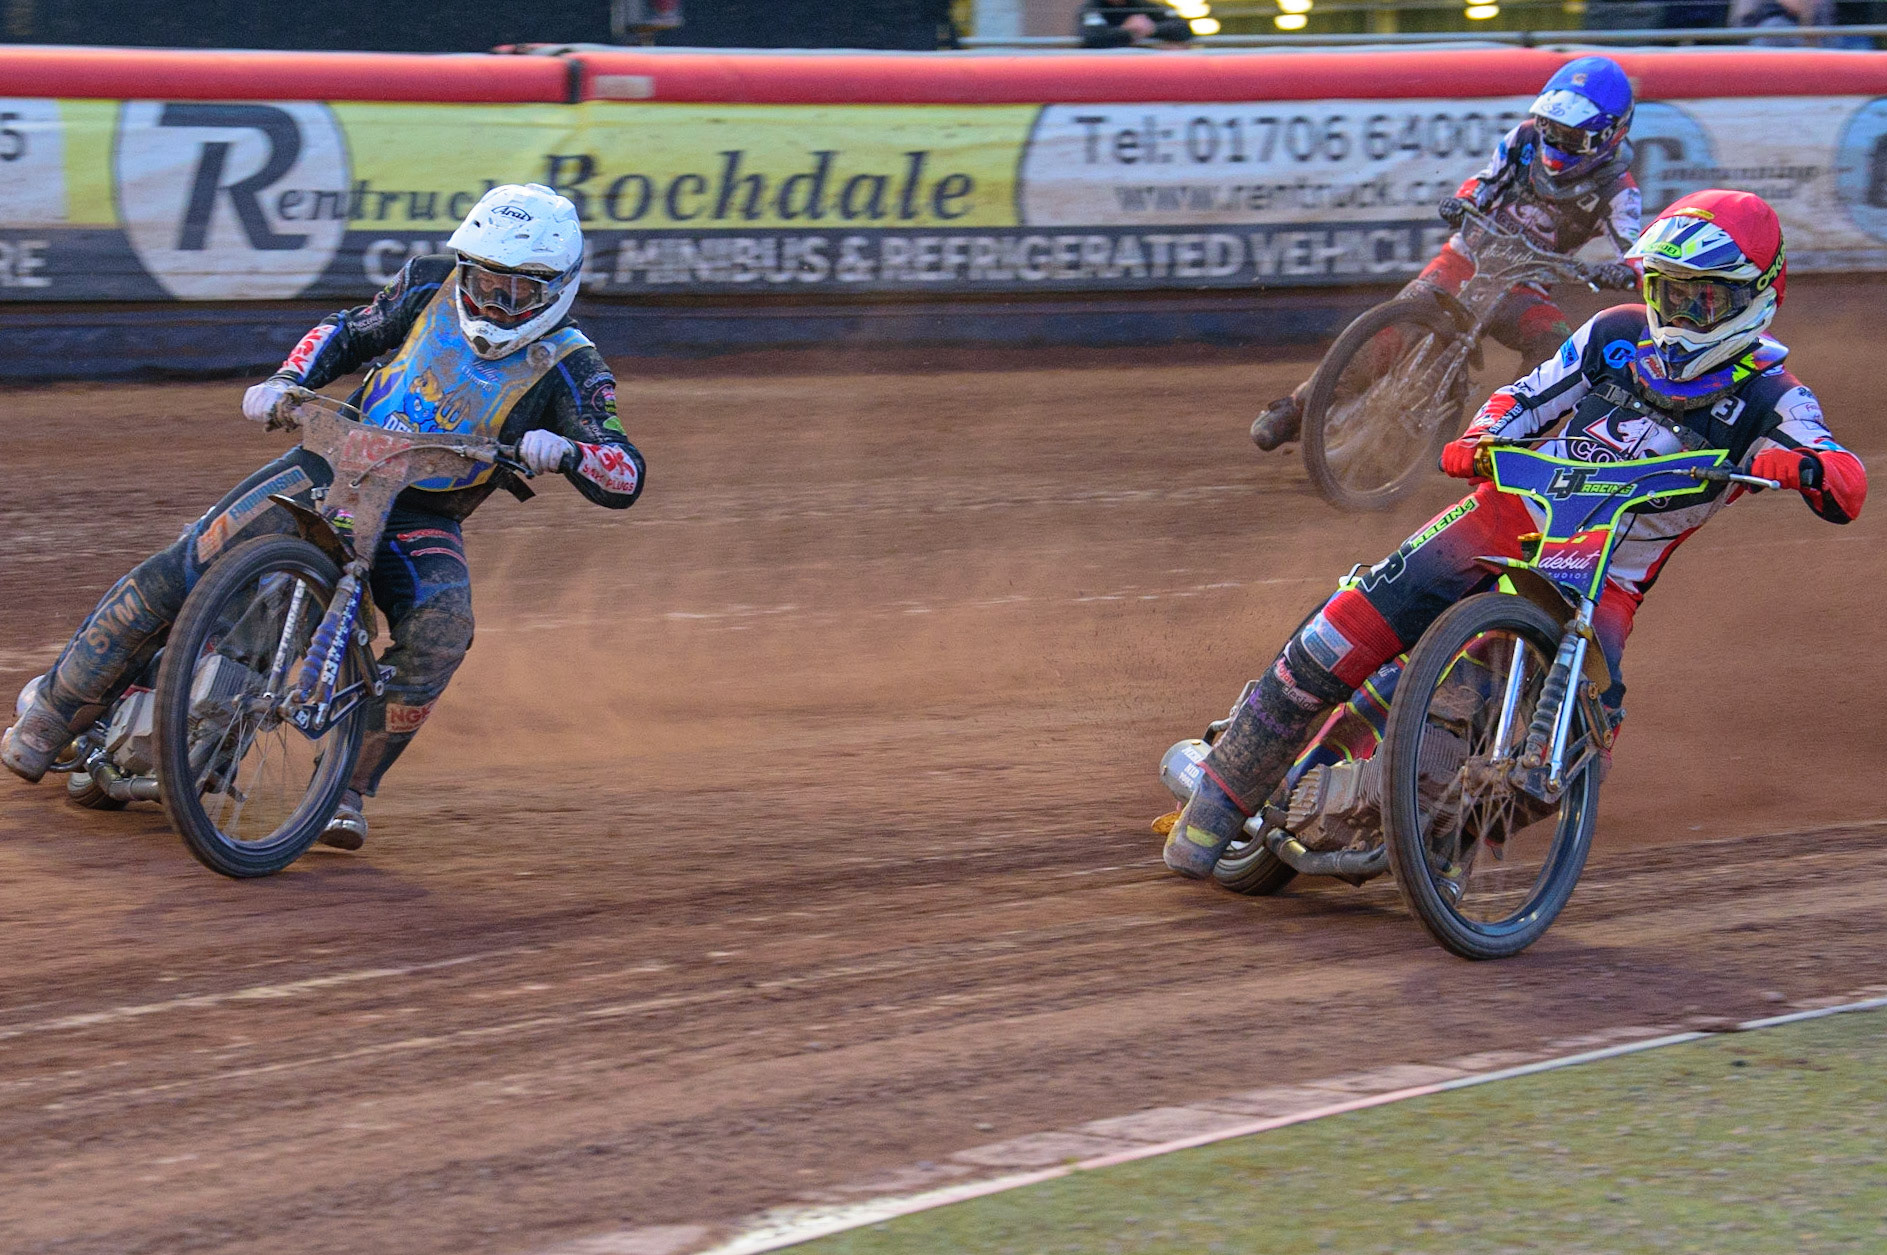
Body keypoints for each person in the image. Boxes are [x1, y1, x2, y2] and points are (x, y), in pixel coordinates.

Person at [1166, 188, 1865, 878]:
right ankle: (1218, 797)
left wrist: (1804, 467)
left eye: (1699, 300)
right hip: (1505, 512)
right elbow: (1529, 393)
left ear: (1755, 296)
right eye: (1667, 292)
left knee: (1580, 740)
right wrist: (1480, 435)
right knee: (1344, 627)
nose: (1676, 315)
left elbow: (1845, 478)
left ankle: (1435, 841)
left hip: (1605, 578)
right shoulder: (1617, 334)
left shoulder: (1774, 397)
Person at [2, 183, 646, 849]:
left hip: (421, 511)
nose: (496, 302)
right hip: (335, 460)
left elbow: (625, 469)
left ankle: (347, 788)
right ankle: (51, 713)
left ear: (560, 287)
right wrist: (286, 381)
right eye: (484, 281)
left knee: (444, 628)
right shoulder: (427, 285)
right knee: (187, 562)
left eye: (519, 291)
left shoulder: (574, 366)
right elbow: (349, 328)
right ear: (463, 266)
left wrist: (570, 451)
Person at [1251, 56, 1644, 451]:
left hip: (1524, 286)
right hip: (1466, 260)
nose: (1555, 144)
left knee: (1557, 347)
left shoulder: (1619, 191)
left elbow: (1633, 249)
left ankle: (1506, 440)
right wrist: (1464, 200)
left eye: (1571, 137)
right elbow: (1485, 180)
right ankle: (1300, 407)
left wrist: (1625, 271)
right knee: (1395, 326)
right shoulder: (1523, 140)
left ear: (1610, 135)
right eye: (1550, 128)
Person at [1078, 0, 1194, 48]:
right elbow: (1093, 37)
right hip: (1105, 72)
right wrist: (1128, 32)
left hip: (1142, 72)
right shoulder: (1092, 7)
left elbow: (1183, 28)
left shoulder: (1141, 5)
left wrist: (1153, 29)